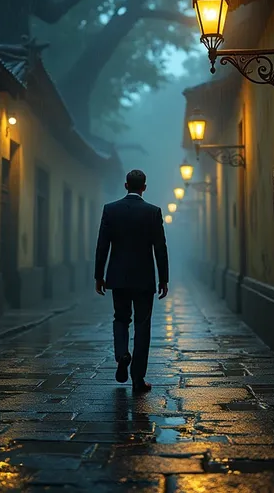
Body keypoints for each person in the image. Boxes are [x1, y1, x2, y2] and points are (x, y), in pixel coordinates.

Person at [94, 169, 169, 394]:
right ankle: (138, 379)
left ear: (126, 185)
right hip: (144, 279)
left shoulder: (110, 210)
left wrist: (99, 275)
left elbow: (102, 245)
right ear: (144, 187)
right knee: (142, 325)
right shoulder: (153, 212)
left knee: (121, 318)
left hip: (118, 277)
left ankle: (121, 354)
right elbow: (160, 248)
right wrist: (163, 279)